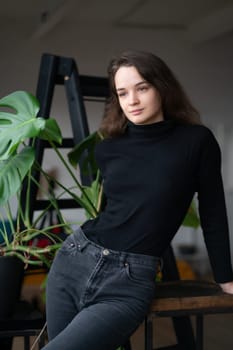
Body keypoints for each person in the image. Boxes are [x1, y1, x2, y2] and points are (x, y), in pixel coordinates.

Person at [43, 50, 233, 350]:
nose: (131, 100)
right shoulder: (108, 149)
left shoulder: (196, 142)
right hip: (73, 261)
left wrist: (225, 277)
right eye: (122, 92)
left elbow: (212, 211)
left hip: (129, 282)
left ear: (162, 87)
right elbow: (118, 211)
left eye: (141, 88)